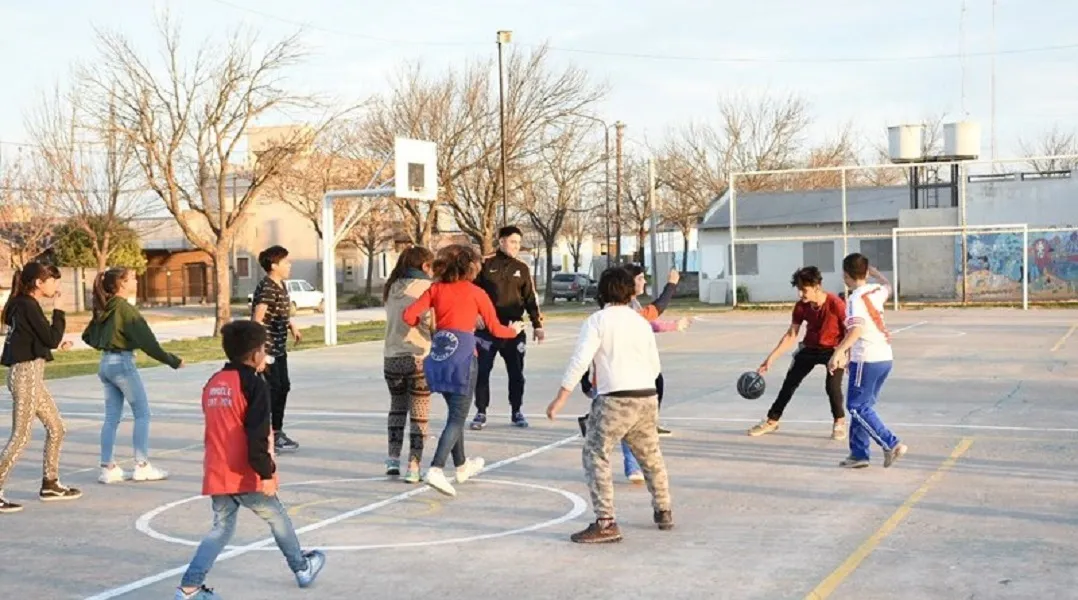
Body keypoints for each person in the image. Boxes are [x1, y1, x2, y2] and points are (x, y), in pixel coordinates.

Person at [173, 320, 325, 600]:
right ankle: (302, 568)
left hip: (217, 470)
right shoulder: (254, 384)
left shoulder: (214, 381)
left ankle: (189, 588)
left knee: (220, 529)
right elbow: (256, 433)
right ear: (256, 354)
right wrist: (266, 473)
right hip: (246, 472)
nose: (266, 353)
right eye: (264, 348)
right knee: (277, 518)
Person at [547, 266, 673, 544]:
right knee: (650, 454)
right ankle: (663, 509)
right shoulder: (640, 321)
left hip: (615, 398)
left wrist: (561, 398)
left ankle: (606, 521)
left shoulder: (598, 321)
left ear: (602, 292)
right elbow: (655, 365)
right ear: (629, 292)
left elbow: (580, 360)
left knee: (595, 454)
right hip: (647, 395)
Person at [402, 244, 525, 497]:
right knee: (458, 418)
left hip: (438, 355)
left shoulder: (434, 289)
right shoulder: (476, 292)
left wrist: (421, 322)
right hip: (463, 357)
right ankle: (436, 468)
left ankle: (461, 466)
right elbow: (496, 329)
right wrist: (515, 330)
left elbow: (408, 315)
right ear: (471, 267)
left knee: (454, 414)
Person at [577, 265, 687, 482]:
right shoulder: (613, 314)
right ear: (627, 284)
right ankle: (625, 467)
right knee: (613, 431)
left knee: (627, 422)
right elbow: (656, 310)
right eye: (640, 278)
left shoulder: (632, 306)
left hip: (630, 374)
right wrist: (671, 285)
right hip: (612, 378)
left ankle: (630, 464)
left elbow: (651, 324)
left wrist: (674, 326)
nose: (644, 282)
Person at [82, 267, 185, 484]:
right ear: (121, 284)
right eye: (132, 279)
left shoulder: (105, 307)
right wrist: (173, 361)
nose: (136, 282)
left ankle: (107, 467)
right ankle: (142, 465)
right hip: (122, 364)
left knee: (111, 417)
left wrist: (109, 342)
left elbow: (88, 336)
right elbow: (148, 343)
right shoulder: (125, 310)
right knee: (143, 413)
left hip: (106, 364)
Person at [0, 263, 81, 514]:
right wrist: (59, 311)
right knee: (21, 436)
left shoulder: (22, 305)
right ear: (38, 282)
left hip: (30, 374)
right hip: (26, 376)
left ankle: (50, 483)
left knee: (57, 428)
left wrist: (55, 345)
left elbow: (38, 339)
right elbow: (50, 337)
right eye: (53, 281)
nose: (56, 286)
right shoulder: (26, 304)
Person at [827, 253, 908, 469]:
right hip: (884, 357)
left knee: (856, 407)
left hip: (867, 358)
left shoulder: (854, 299)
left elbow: (856, 330)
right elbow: (888, 285)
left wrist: (839, 352)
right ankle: (859, 454)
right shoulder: (876, 291)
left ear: (846, 275)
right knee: (864, 406)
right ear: (866, 272)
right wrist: (876, 273)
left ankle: (891, 443)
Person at [748, 266, 848, 440]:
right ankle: (772, 420)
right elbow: (792, 334)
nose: (800, 294)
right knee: (790, 383)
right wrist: (771, 359)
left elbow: (850, 331)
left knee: (832, 387)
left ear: (817, 286)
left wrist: (844, 354)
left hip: (833, 350)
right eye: (799, 290)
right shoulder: (802, 306)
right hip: (809, 348)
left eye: (804, 290)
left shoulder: (835, 304)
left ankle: (839, 422)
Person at [471, 226, 544, 430]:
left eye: (518, 243)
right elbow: (472, 293)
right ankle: (481, 412)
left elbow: (530, 299)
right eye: (512, 242)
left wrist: (537, 325)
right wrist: (475, 315)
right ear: (501, 241)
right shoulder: (485, 265)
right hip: (487, 330)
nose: (516, 246)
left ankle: (516, 411)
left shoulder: (522, 268)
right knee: (482, 371)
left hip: (514, 329)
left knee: (517, 373)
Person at [382, 246, 436, 484]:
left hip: (392, 357)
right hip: (418, 355)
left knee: (397, 407)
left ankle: (392, 459)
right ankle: (414, 465)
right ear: (425, 266)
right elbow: (429, 321)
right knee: (419, 414)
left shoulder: (392, 287)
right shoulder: (426, 288)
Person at [251, 245, 302, 453]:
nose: (289, 265)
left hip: (279, 348)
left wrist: (292, 326)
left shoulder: (280, 285)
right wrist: (260, 353)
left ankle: (276, 431)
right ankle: (268, 434)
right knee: (272, 390)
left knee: (283, 387)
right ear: (274, 265)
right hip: (268, 350)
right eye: (285, 262)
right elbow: (257, 320)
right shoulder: (267, 288)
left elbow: (281, 312)